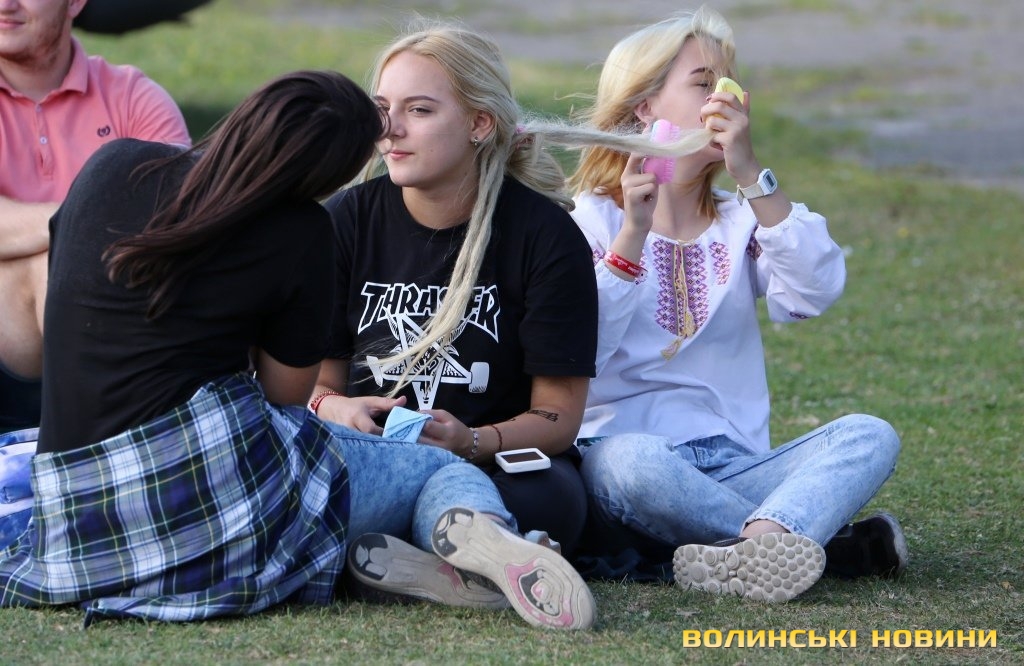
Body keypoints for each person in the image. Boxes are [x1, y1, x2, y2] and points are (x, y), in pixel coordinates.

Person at [0, 70, 596, 631]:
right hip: (216, 497)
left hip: (79, 509)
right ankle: (491, 541)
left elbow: (39, 331)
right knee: (437, 470)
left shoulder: (112, 166)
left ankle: (426, 565)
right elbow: (285, 395)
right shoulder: (301, 230)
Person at [567, 6, 906, 602]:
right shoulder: (588, 223)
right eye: (704, 83)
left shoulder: (741, 219)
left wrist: (750, 174)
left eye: (730, 84)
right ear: (644, 106)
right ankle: (825, 548)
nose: (725, 99)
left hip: (735, 464)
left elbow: (815, 290)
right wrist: (632, 237)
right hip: (628, 458)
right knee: (633, 465)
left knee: (869, 435)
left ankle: (754, 545)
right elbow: (577, 351)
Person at [311, 21, 601, 585]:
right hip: (369, 454)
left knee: (552, 496)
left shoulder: (545, 235)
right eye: (382, 110)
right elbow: (313, 384)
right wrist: (336, 408)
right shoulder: (344, 221)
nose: (391, 129)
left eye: (419, 110)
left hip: (490, 460)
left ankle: (420, 552)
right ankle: (476, 551)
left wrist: (470, 441)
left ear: (479, 123)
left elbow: (558, 418)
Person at [0, 0, 191, 432]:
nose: (6, 4)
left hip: (121, 336)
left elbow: (178, 220)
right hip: (13, 345)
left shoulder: (132, 96)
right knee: (46, 268)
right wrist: (90, 218)